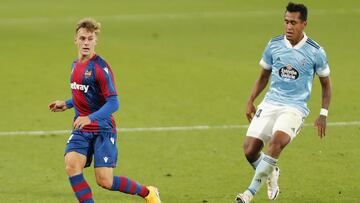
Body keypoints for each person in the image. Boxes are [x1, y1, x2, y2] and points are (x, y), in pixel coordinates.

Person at [48, 18, 161, 203]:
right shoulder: (75, 65)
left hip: (102, 129)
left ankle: (148, 193)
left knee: (105, 181)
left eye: (90, 39)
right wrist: (68, 104)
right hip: (82, 129)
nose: (86, 43)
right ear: (75, 39)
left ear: (95, 41)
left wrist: (90, 118)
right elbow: (86, 95)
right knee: (71, 166)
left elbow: (114, 103)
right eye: (82, 38)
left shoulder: (100, 67)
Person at [235, 2, 332, 203]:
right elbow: (263, 76)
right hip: (270, 103)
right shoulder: (274, 44)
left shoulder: (316, 52)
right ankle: (272, 172)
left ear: (304, 24)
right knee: (249, 149)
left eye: (293, 22)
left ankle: (248, 193)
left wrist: (323, 114)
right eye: (286, 22)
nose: (289, 26)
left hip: (294, 108)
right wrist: (251, 100)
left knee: (275, 143)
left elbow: (326, 86)